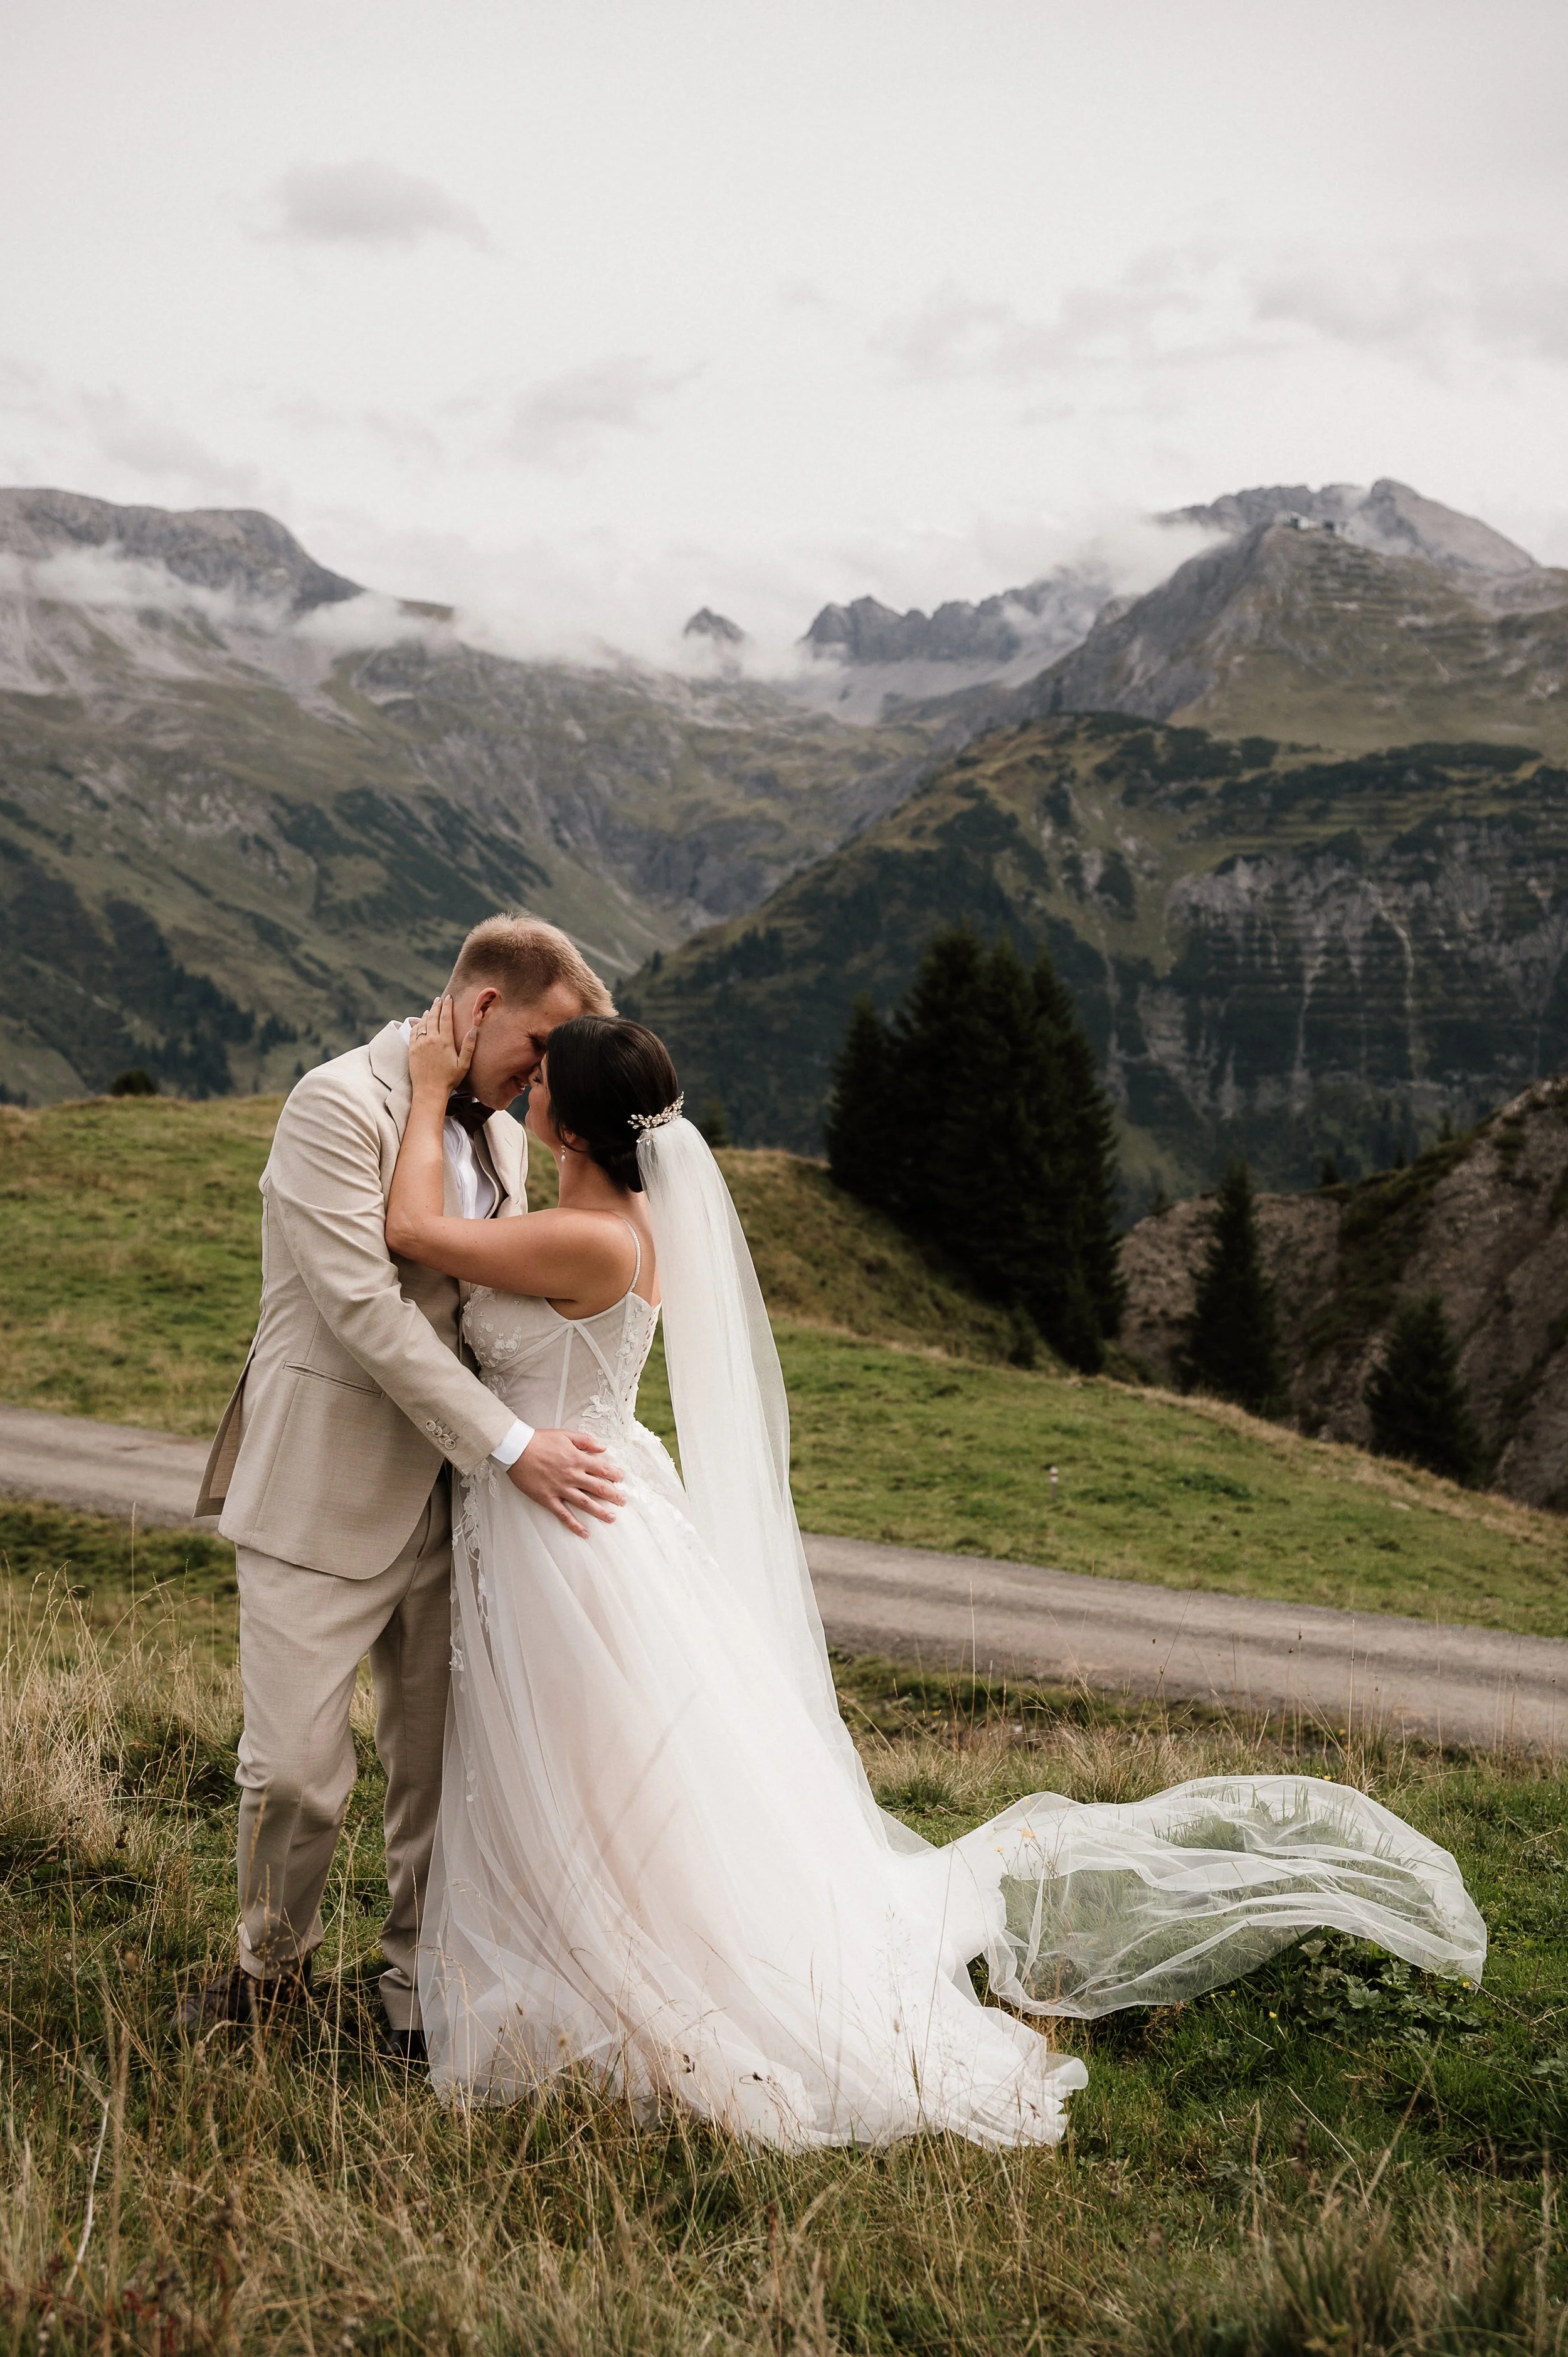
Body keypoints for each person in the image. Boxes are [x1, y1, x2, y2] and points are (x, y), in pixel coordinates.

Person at [384, 1000, 1486, 2148]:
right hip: (583, 1506)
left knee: (586, 1770)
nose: (528, 1082)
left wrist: (423, 1088)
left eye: (543, 1077)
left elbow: (412, 1228)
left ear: (572, 1126)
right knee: (589, 1769)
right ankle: (578, 1946)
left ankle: (627, 1971)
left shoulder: (594, 1239)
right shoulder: (624, 1219)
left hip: (569, 1531)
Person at [177, 916, 627, 2058]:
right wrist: (514, 1443)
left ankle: (417, 1998)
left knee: (436, 1774)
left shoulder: (507, 1137)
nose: (544, 1077)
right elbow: (365, 1311)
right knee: (294, 1771)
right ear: (483, 1006)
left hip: (460, 1507)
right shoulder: (334, 1104)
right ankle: (266, 1974)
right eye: (540, 1046)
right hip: (324, 1482)